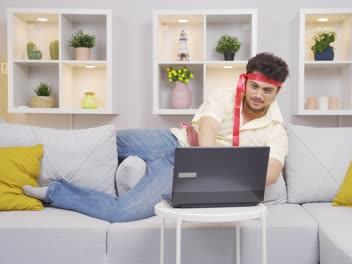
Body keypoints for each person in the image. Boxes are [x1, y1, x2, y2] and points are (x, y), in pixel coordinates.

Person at [23, 52, 290, 223]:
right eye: (254, 86)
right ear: (244, 82)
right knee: (100, 140)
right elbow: (207, 128)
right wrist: (221, 162)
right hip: (172, 140)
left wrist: (211, 170)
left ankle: (55, 191)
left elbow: (270, 174)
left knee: (120, 213)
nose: (258, 95)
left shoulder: (276, 129)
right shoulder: (224, 96)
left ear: (276, 93)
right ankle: (26, 168)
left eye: (267, 91)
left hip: (186, 172)